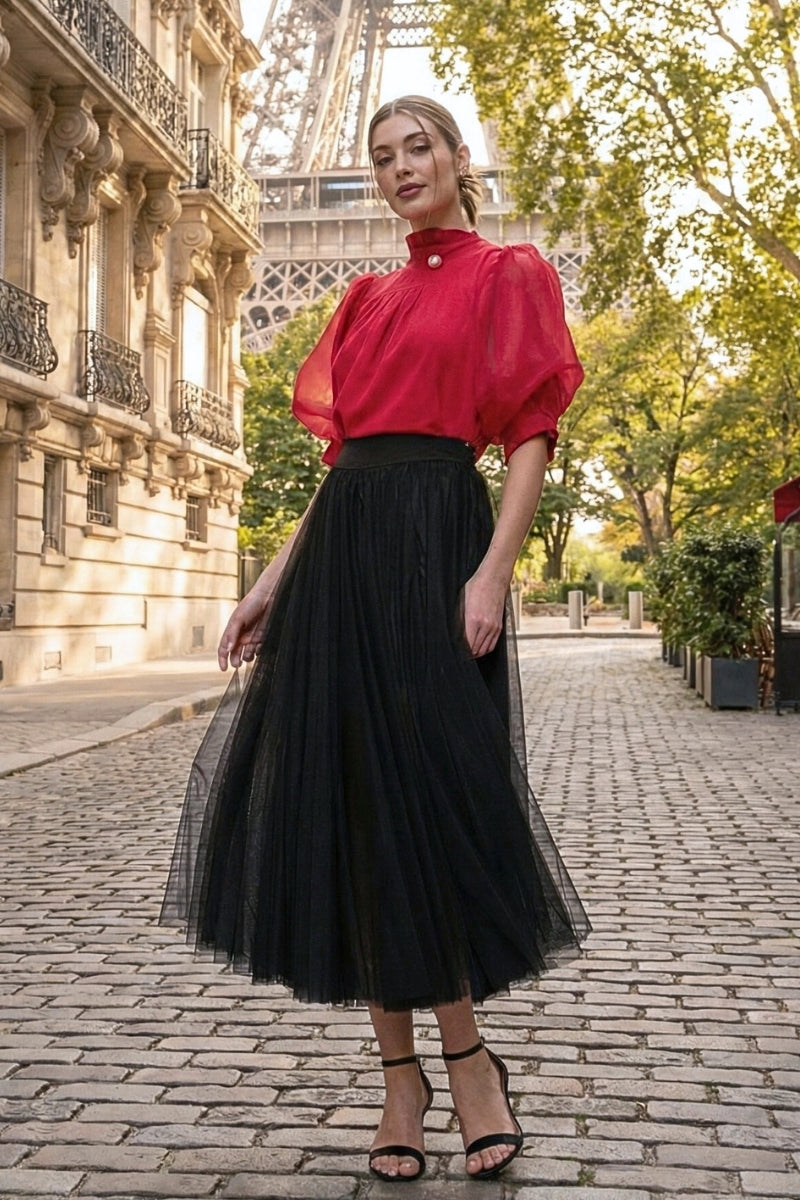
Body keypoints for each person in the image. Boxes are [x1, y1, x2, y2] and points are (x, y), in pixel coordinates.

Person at [161, 95, 591, 1184]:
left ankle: (470, 1061)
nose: (400, 169)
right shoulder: (359, 297)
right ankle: (399, 1079)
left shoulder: (511, 276)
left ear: (457, 160)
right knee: (351, 812)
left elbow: (531, 436)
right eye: (382, 157)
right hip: (342, 558)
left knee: (431, 811)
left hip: (435, 546)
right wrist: (267, 585)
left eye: (419, 150)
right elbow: (334, 470)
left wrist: (489, 570)